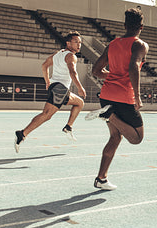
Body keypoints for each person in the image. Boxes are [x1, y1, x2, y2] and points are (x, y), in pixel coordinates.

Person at [86, 8, 149, 190]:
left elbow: (96, 71)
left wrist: (113, 76)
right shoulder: (140, 45)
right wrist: (137, 96)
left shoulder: (113, 44)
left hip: (106, 96)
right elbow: (134, 67)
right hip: (123, 97)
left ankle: (101, 179)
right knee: (136, 138)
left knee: (115, 137)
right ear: (141, 27)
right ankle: (110, 115)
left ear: (124, 25)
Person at [14, 31, 86, 153]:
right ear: (68, 43)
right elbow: (73, 72)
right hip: (60, 89)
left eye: (80, 42)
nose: (79, 45)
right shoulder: (71, 56)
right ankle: (67, 127)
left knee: (47, 114)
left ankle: (23, 133)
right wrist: (80, 87)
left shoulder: (58, 54)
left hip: (55, 87)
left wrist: (48, 81)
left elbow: (44, 66)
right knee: (75, 104)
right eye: (76, 42)